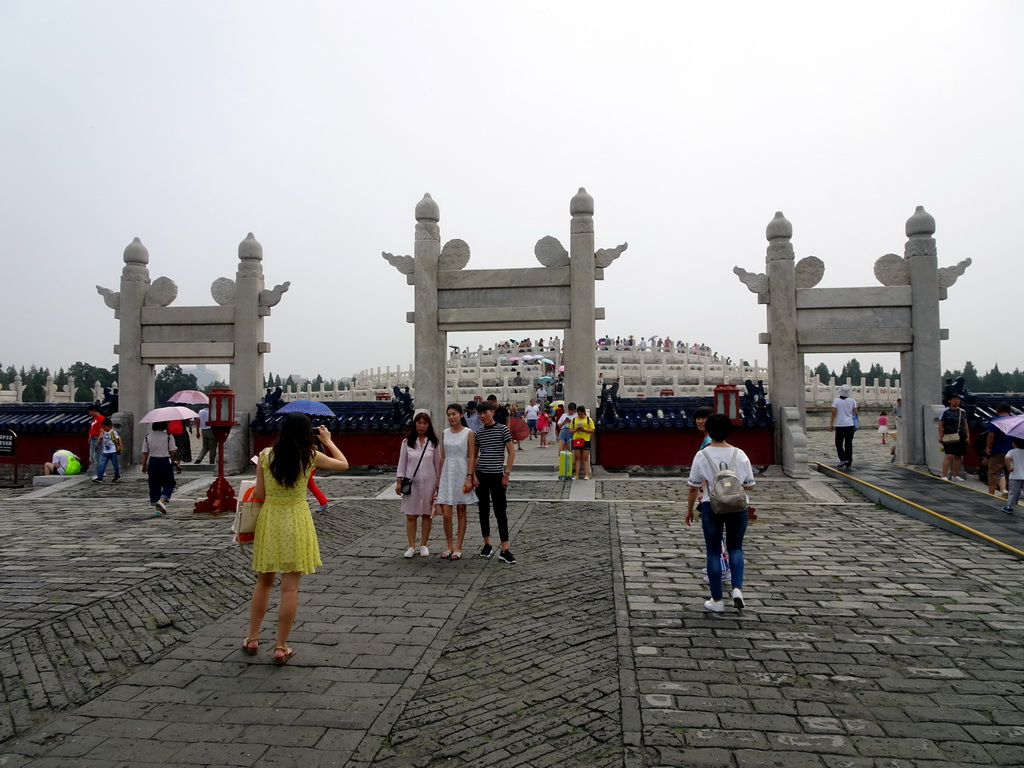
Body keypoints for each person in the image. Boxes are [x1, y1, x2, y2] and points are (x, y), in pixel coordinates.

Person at [244, 413, 349, 664]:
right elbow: (344, 464)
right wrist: (328, 441)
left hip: (271, 518)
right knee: (290, 587)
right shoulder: (310, 455)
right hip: (296, 518)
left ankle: (252, 637)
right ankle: (280, 646)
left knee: (264, 581)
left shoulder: (266, 454)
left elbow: (259, 492)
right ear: (306, 432)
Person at [685, 413, 756, 613]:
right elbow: (749, 486)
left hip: (711, 505)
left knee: (714, 552)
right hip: (738, 507)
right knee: (735, 548)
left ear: (709, 430)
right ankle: (737, 588)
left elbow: (693, 486)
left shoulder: (702, 455)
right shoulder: (740, 454)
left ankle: (717, 600)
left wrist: (689, 510)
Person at [472, 401, 516, 564]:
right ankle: (487, 544)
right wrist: (473, 475)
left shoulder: (502, 429)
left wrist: (507, 473)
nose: (482, 416)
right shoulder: (478, 432)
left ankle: (505, 548)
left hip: (497, 474)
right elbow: (475, 456)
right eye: (480, 413)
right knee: (483, 510)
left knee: (500, 512)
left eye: (485, 413)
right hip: (481, 474)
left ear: (492, 412)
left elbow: (511, 453)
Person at [395, 410, 441, 557]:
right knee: (411, 515)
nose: (421, 426)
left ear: (429, 425)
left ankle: (424, 544)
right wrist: (399, 481)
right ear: (414, 424)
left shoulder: (433, 442)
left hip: (429, 482)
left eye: (424, 423)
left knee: (427, 514)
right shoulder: (407, 442)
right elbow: (402, 462)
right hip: (411, 483)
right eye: (419, 423)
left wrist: (439, 482)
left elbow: (437, 464)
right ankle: (411, 545)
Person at [436, 403, 477, 560]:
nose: (451, 417)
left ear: (461, 415)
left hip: (462, 471)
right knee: (446, 514)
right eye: (449, 414)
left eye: (454, 414)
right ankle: (449, 545)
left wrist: (469, 476)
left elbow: (472, 456)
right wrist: (439, 477)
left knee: (461, 509)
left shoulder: (469, 433)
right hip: (447, 472)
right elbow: (443, 456)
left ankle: (459, 546)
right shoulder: (445, 433)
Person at [141, 422, 177, 514]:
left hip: (153, 462)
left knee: (154, 485)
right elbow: (172, 451)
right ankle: (161, 500)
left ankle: (157, 509)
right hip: (164, 461)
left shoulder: (147, 437)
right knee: (169, 483)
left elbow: (145, 453)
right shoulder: (168, 436)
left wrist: (144, 465)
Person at [939, 393, 970, 482]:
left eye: (958, 399)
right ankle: (944, 475)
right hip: (949, 436)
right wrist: (941, 436)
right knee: (949, 455)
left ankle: (955, 475)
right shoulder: (945, 412)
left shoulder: (962, 412)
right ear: (950, 401)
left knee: (958, 456)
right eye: (954, 399)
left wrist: (968, 436)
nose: (956, 401)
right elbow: (940, 424)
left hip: (961, 436)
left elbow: (965, 424)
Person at [986, 403, 1014, 497]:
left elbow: (991, 436)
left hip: (997, 451)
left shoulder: (995, 421)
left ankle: (991, 494)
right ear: (1009, 412)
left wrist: (988, 447)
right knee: (1010, 473)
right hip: (1011, 451)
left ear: (997, 411)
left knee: (993, 473)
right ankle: (1012, 494)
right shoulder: (1014, 421)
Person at [829, 384, 858, 469]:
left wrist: (831, 424)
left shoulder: (836, 401)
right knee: (848, 443)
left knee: (838, 443)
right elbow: (856, 413)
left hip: (840, 425)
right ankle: (849, 461)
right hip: (850, 425)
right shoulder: (852, 401)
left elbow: (834, 413)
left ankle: (843, 459)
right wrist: (856, 424)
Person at [92, 418, 122, 483]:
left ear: (109, 426)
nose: (103, 428)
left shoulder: (113, 432)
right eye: (102, 426)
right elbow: (100, 441)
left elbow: (118, 439)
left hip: (112, 451)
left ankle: (117, 475)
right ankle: (100, 477)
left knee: (115, 464)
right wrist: (100, 436)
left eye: (104, 426)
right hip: (105, 451)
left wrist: (119, 446)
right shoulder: (103, 432)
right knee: (102, 465)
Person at [570, 405, 596, 480]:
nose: (579, 415)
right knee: (577, 457)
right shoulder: (574, 420)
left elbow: (592, 430)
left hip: (586, 439)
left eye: (581, 414)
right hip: (577, 439)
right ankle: (576, 474)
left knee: (585, 457)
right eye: (578, 414)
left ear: (584, 412)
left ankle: (587, 474)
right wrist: (576, 429)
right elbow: (570, 430)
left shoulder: (589, 420)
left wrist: (584, 429)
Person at [1001, 438, 1024, 514]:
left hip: (1015, 475)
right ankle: (1016, 502)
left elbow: (1006, 458)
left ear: (1014, 444)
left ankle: (1010, 506)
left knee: (1013, 492)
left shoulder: (1012, 452)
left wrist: (1009, 468)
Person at [87, 403, 104, 476]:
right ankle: (99, 472)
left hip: (97, 438)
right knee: (92, 457)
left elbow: (102, 429)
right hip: (93, 438)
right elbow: (92, 428)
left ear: (94, 410)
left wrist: (100, 438)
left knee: (97, 457)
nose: (89, 413)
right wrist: (90, 437)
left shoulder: (101, 418)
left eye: (90, 411)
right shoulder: (95, 418)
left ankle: (99, 473)